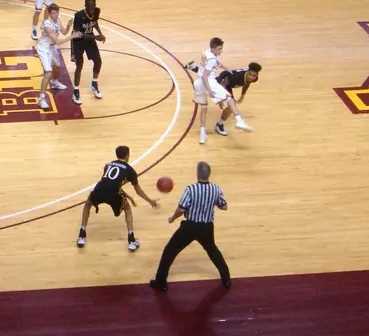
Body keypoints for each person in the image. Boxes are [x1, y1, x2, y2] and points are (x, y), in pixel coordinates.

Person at [150, 161, 232, 292]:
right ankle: (226, 279)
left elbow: (181, 209)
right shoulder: (216, 189)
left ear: (197, 174)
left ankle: (161, 282)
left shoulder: (191, 189)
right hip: (207, 227)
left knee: (170, 250)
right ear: (209, 174)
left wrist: (172, 218)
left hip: (190, 227)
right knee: (212, 251)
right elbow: (224, 206)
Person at [77, 146, 159, 251]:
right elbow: (138, 190)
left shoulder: (108, 165)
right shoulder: (130, 170)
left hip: (99, 189)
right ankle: (131, 241)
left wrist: (128, 196)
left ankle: (81, 236)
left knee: (87, 204)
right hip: (113, 194)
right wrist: (150, 201)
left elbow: (110, 183)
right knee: (128, 209)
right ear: (127, 155)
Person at [189, 37, 252, 144]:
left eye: (221, 48)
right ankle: (239, 121)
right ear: (213, 48)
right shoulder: (212, 60)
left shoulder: (207, 52)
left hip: (197, 83)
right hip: (208, 82)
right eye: (219, 49)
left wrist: (227, 69)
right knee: (229, 98)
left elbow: (217, 64)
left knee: (204, 108)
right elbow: (205, 76)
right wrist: (210, 90)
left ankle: (202, 135)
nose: (221, 51)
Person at [35, 4, 79, 110]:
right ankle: (41, 99)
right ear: (49, 14)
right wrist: (72, 36)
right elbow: (58, 41)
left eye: (57, 12)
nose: (56, 15)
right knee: (48, 72)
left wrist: (68, 26)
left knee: (57, 67)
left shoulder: (58, 21)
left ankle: (54, 83)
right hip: (44, 49)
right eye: (54, 13)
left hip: (51, 47)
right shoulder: (47, 25)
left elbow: (63, 32)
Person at [214, 62, 261, 137]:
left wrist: (242, 96)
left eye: (254, 76)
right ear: (247, 72)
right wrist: (221, 98)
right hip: (221, 82)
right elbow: (223, 82)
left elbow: (247, 83)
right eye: (250, 74)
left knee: (231, 106)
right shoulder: (237, 77)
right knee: (231, 106)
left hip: (228, 85)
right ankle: (219, 125)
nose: (251, 77)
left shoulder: (253, 79)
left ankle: (219, 124)